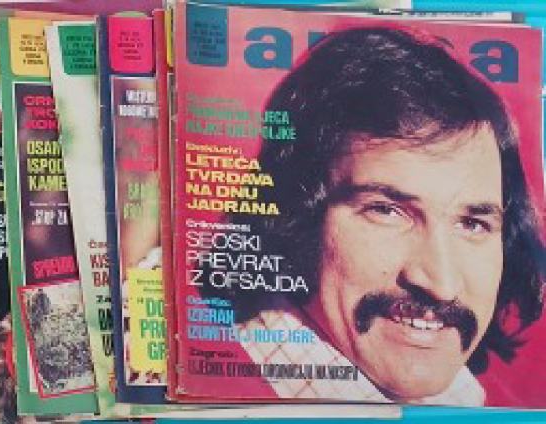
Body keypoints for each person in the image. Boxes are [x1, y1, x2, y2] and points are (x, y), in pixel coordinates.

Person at [204, 27, 546, 405]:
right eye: (386, 211)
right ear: (296, 218)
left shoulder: (464, 398)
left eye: (472, 224)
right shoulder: (215, 389)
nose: (442, 284)